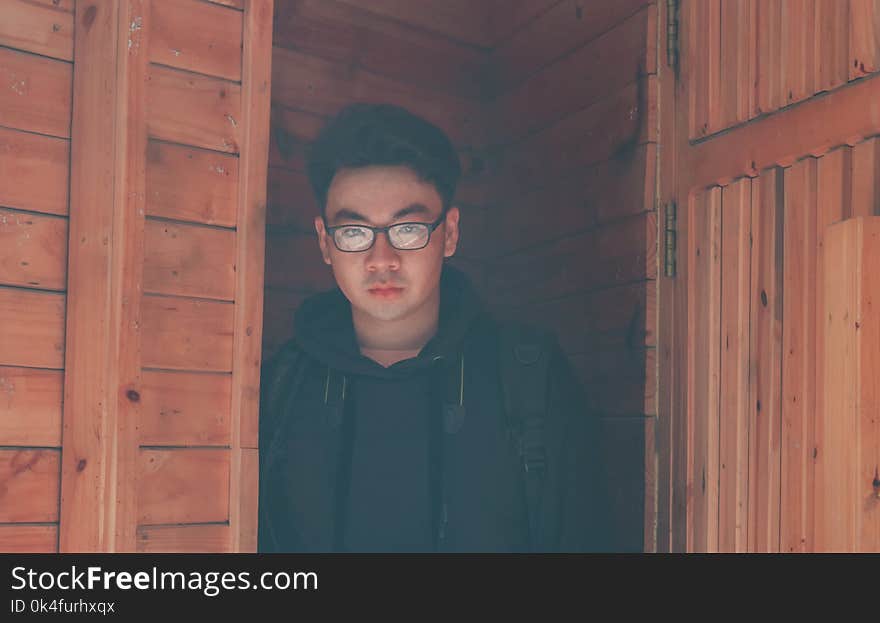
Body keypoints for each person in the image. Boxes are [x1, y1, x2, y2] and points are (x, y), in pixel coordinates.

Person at [258, 102, 611, 553]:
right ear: (325, 243)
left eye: (407, 229)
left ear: (450, 233)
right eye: (354, 233)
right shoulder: (280, 390)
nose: (381, 259)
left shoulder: (528, 378)